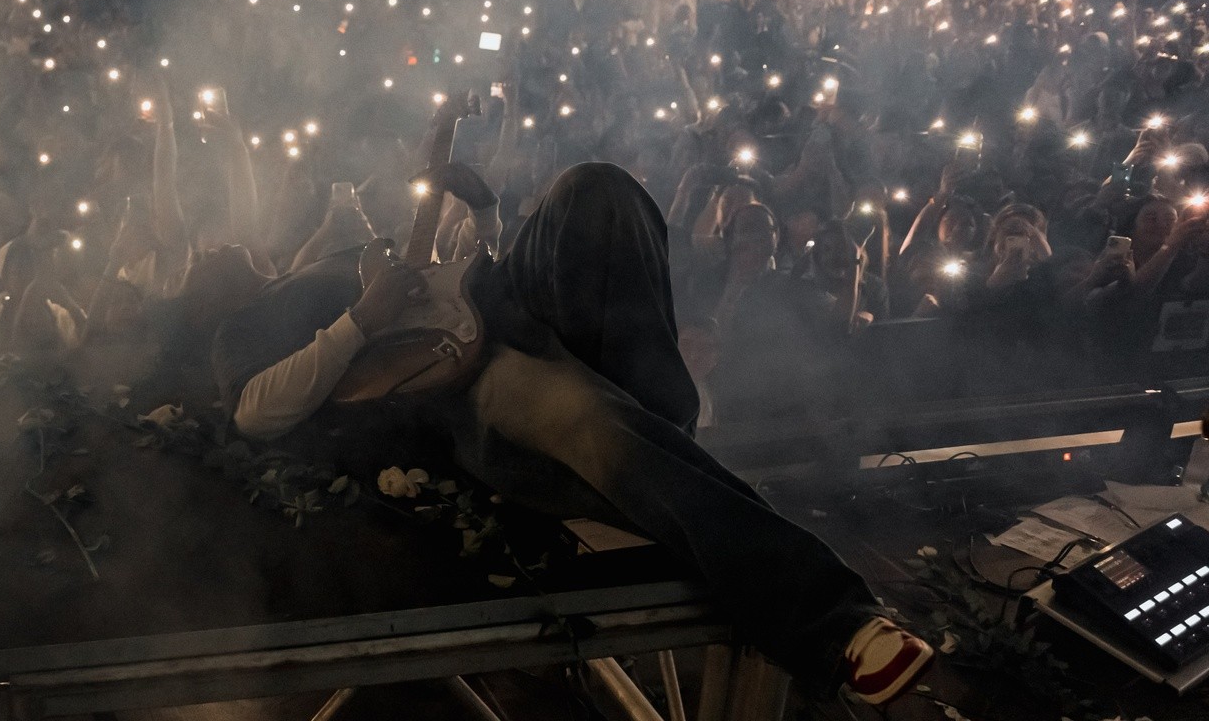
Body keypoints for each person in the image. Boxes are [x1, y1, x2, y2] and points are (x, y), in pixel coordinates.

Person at [212, 162, 932, 704]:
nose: (229, 248)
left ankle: (661, 438)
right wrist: (361, 319)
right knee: (591, 423)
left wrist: (487, 215)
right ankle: (837, 622)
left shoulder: (331, 262)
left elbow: (452, 289)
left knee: (598, 190)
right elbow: (255, 410)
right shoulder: (248, 320)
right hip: (458, 388)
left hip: (497, 307)